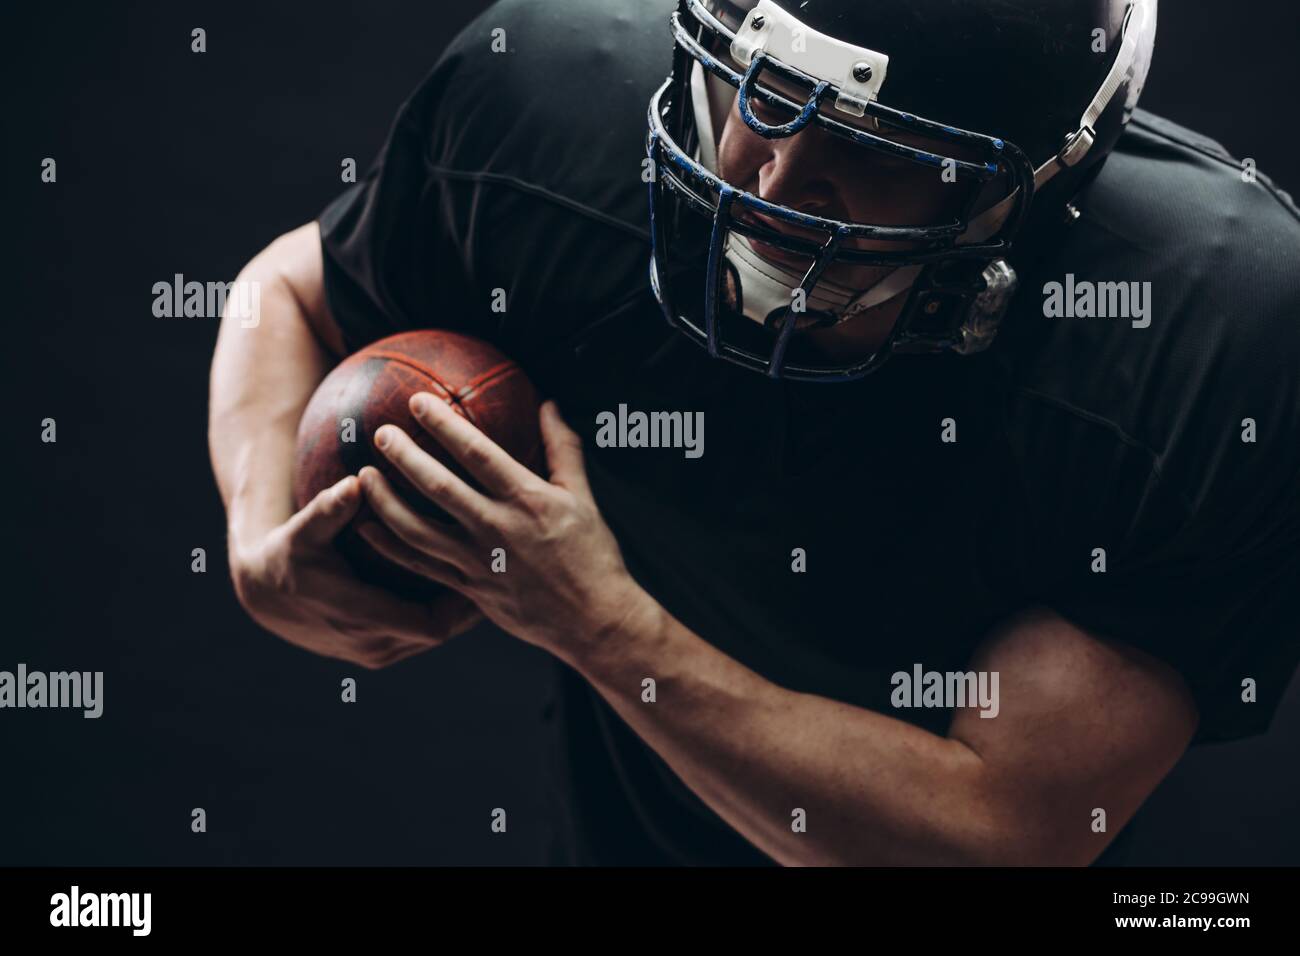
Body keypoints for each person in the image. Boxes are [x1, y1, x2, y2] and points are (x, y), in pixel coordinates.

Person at [208, 0, 1300, 865]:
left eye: (870, 148)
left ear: (1033, 183)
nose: (767, 178)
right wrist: (260, 525)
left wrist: (597, 623)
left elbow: (1003, 834)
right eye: (761, 91)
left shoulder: (1201, 337)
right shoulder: (551, 101)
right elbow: (290, 290)